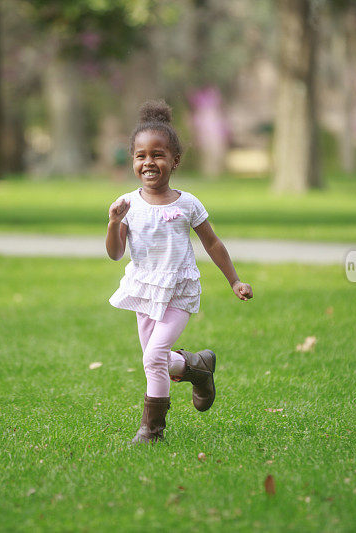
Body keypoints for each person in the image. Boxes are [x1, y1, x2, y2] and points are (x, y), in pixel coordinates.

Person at [106, 100, 254, 444]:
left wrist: (234, 280)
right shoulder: (127, 204)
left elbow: (213, 244)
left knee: (153, 357)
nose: (149, 162)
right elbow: (115, 254)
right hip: (144, 290)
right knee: (155, 359)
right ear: (132, 161)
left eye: (158, 155)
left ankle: (152, 431)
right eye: (141, 156)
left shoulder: (188, 204)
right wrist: (114, 223)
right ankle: (199, 368)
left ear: (175, 160)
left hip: (178, 291)